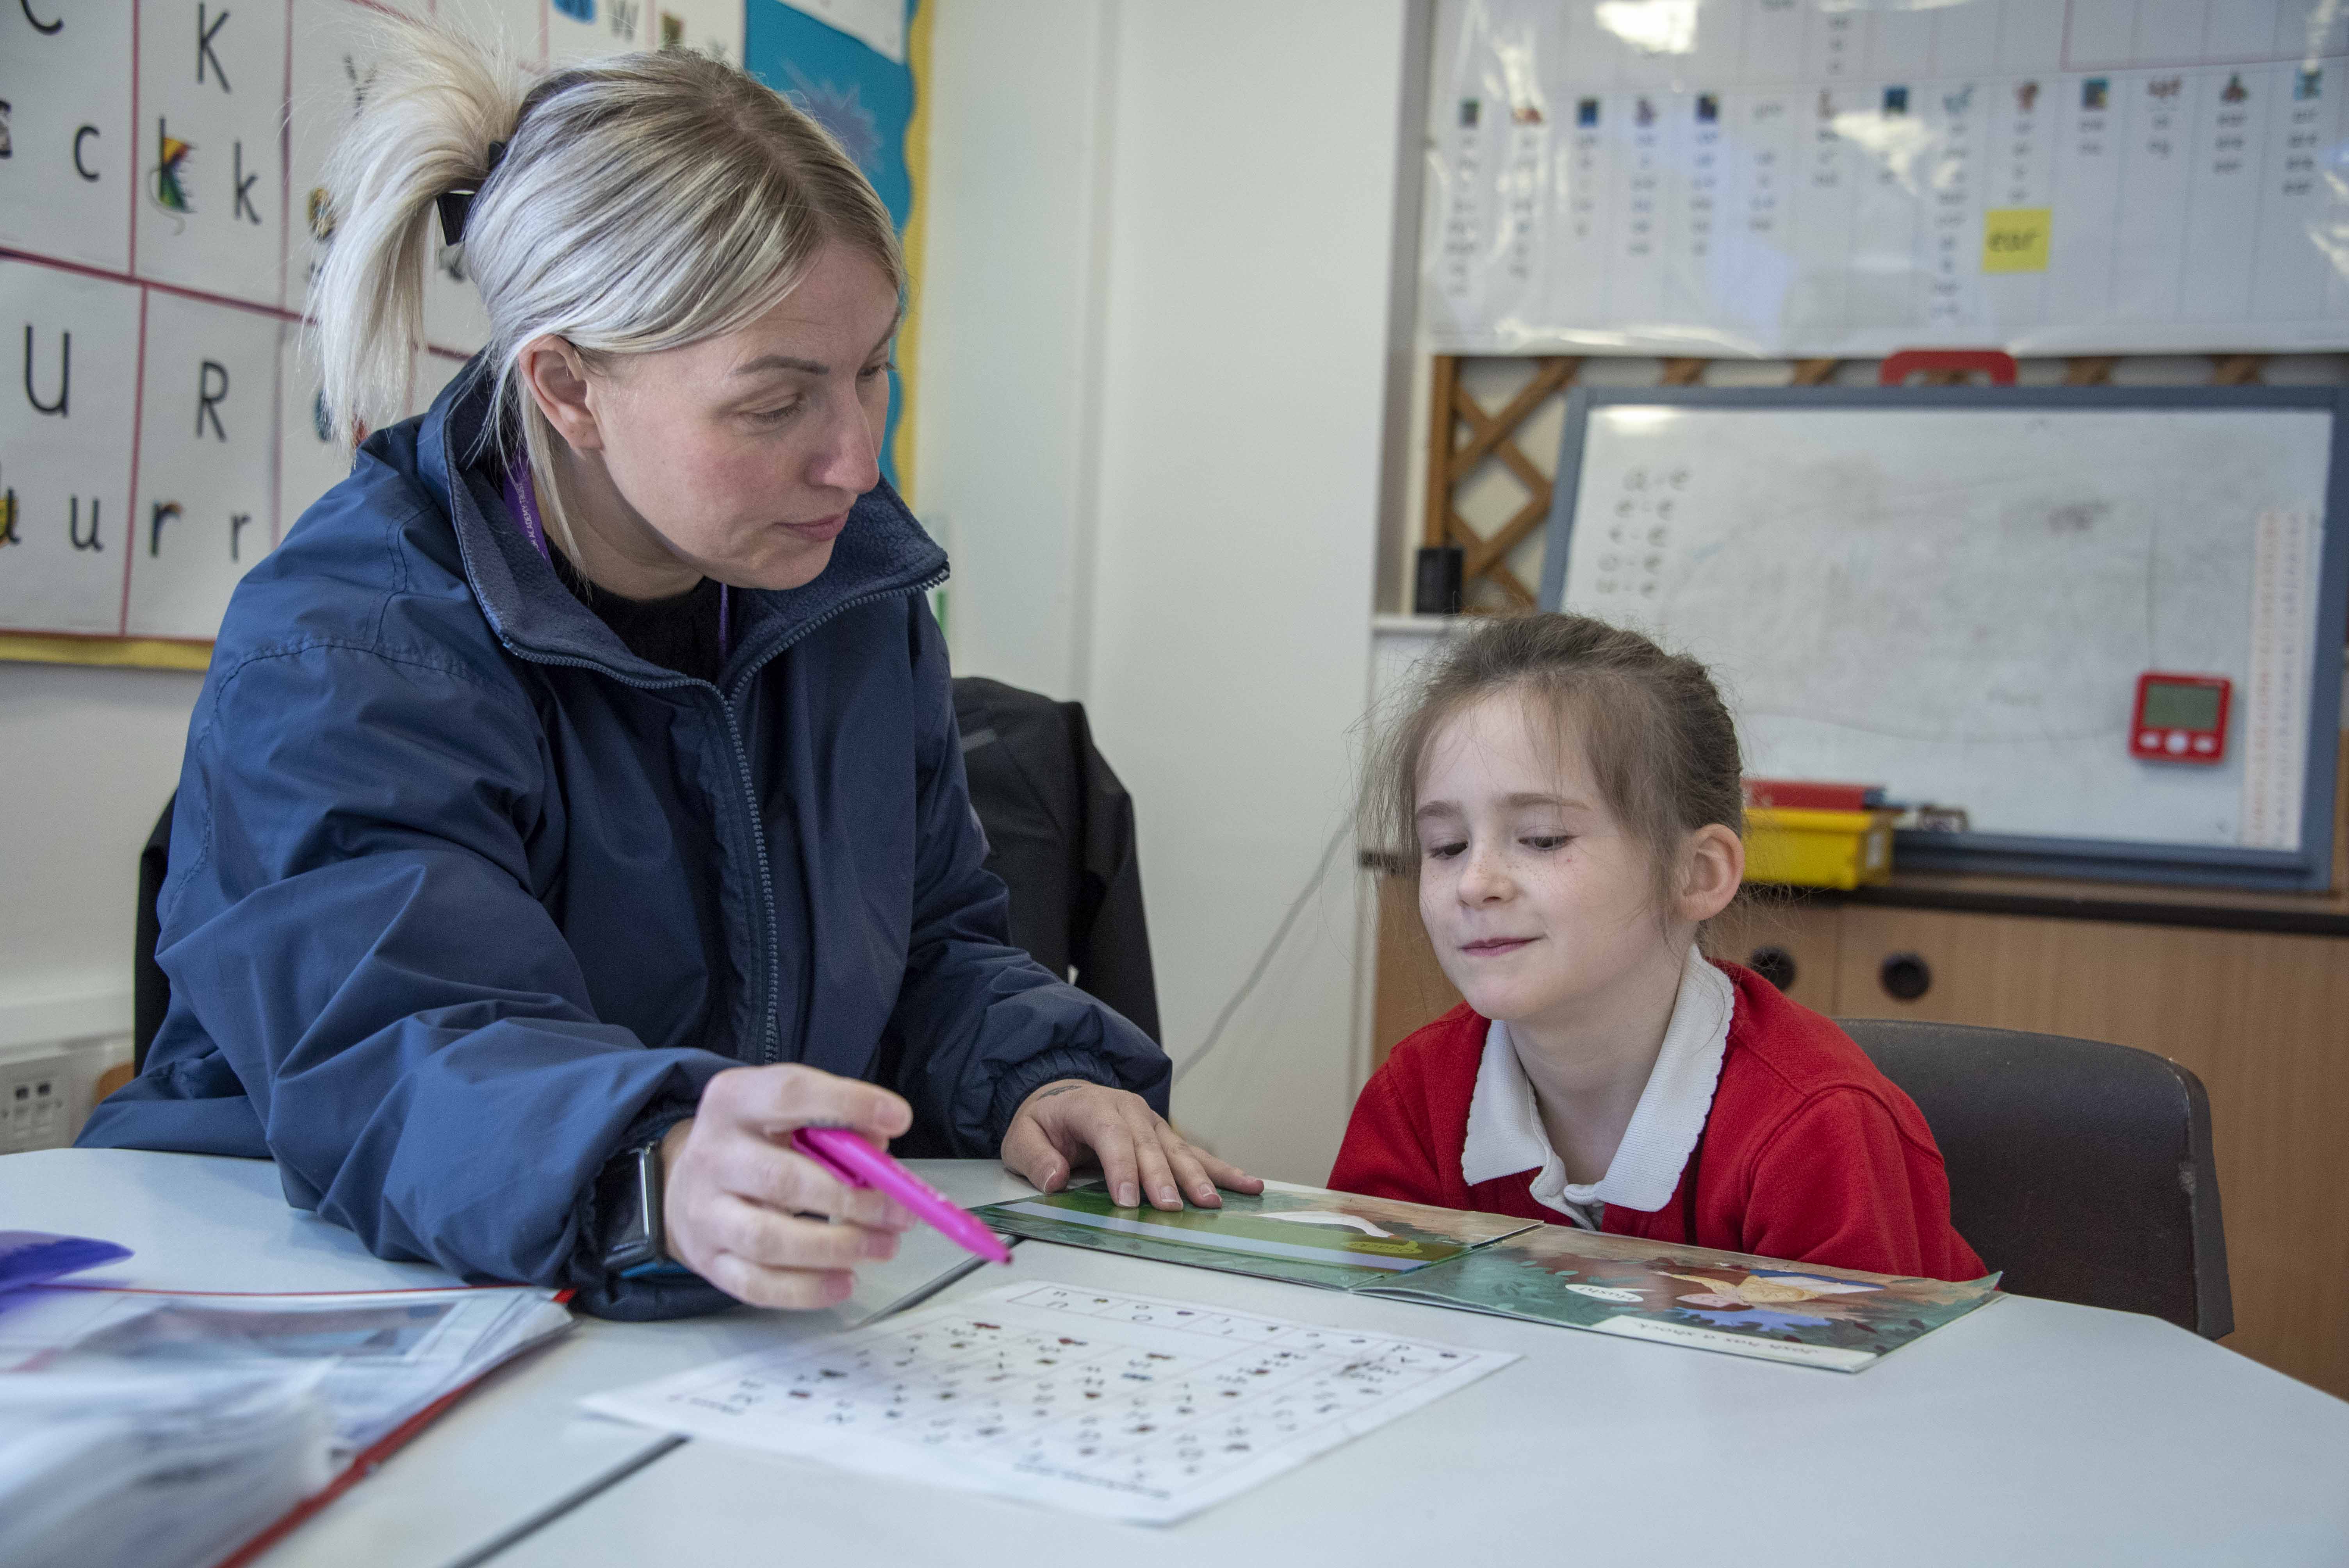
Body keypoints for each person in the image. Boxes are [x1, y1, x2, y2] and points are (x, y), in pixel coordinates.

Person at [78, 17, 1256, 1319]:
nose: (854, 459)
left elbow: (926, 946)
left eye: (872, 373)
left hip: (666, 1302)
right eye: (774, 404)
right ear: (569, 388)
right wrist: (656, 1165)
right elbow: (402, 1048)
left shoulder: (842, 597)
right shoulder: (347, 647)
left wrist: (1035, 1071)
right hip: (321, 1305)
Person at [1328, 614, 1982, 1280]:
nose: (1475, 883)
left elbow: (1854, 1379)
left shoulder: (1818, 1129)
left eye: (1545, 839)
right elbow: (1363, 1336)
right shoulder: (1415, 1098)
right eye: (1446, 847)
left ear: (1696, 874)